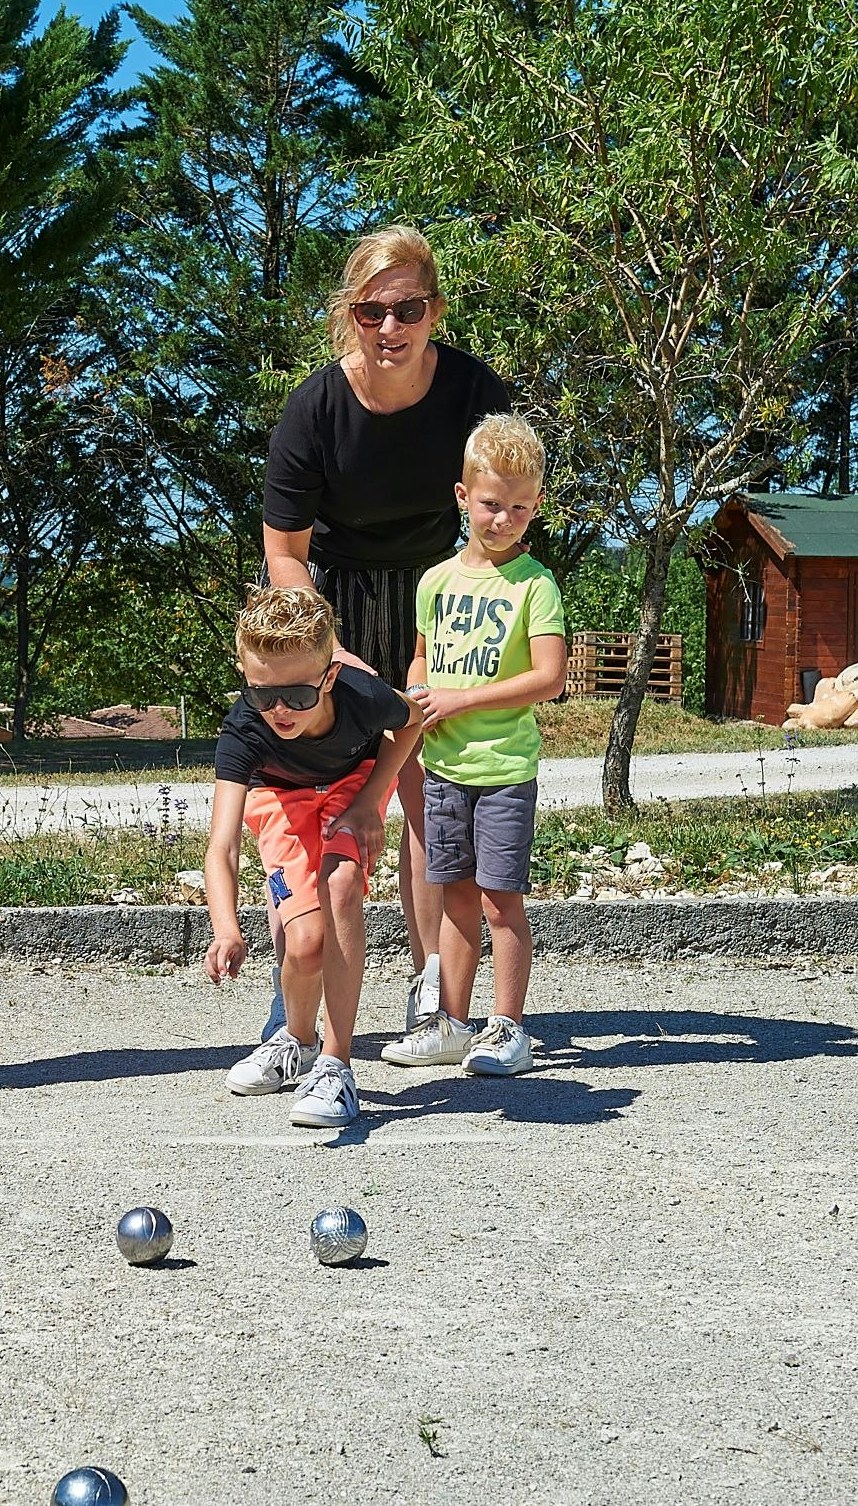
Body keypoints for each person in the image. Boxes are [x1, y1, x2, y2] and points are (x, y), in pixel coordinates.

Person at [262, 225, 514, 1034]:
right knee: (312, 797)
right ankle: (293, 998)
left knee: (427, 797)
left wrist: (483, 612)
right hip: (331, 599)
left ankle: (430, 987)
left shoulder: (475, 392)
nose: (389, 326)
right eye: (371, 311)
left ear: (434, 311)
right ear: (351, 315)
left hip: (441, 593)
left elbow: (505, 510)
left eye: (406, 308)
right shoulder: (314, 406)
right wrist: (326, 647)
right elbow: (283, 552)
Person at [381, 415, 567, 1077]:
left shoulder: (535, 584)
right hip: (443, 767)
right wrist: (415, 695)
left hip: (504, 768)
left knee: (498, 901)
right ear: (463, 497)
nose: (503, 519)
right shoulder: (434, 581)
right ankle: (451, 1026)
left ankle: (508, 1028)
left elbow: (550, 677)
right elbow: (421, 658)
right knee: (454, 899)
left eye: (519, 507)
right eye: (490, 504)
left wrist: (461, 700)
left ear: (536, 505)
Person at [202, 587, 423, 1130]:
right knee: (304, 944)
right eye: (262, 694)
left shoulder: (361, 695)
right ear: (245, 674)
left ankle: (335, 1065)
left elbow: (412, 721)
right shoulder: (243, 730)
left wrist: (372, 799)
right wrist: (226, 928)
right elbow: (222, 844)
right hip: (279, 796)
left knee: (342, 885)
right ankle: (297, 1041)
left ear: (328, 677)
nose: (280, 710)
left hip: (352, 785)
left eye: (298, 695)